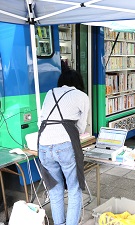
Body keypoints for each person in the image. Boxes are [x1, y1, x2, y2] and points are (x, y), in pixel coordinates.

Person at [38, 69, 89, 225]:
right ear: (79, 83)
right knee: (74, 189)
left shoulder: (50, 93)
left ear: (61, 82)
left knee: (54, 189)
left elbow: (41, 120)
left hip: (44, 145)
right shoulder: (81, 96)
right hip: (65, 145)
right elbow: (81, 127)